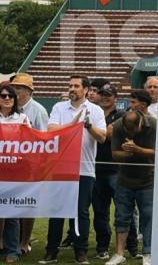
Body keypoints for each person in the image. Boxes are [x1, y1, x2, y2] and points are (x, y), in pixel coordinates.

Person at [39, 76, 107, 265]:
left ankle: (81, 252)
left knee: (80, 212)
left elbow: (102, 138)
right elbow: (52, 131)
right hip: (60, 168)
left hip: (84, 168)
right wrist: (73, 125)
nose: (72, 89)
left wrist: (88, 125)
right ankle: (51, 252)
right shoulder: (59, 108)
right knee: (57, 210)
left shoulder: (96, 110)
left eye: (76, 86)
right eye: (70, 86)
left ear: (86, 90)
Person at [92, 83, 139, 260]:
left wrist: (95, 130)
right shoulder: (94, 114)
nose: (105, 97)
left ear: (115, 98)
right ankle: (102, 247)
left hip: (116, 170)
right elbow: (103, 133)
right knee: (99, 212)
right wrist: (100, 132)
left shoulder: (122, 115)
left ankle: (132, 247)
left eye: (109, 95)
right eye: (102, 94)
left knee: (124, 210)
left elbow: (108, 135)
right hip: (96, 168)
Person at [106, 110, 156, 265]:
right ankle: (119, 253)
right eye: (128, 130)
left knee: (148, 216)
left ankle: (148, 252)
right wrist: (128, 153)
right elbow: (114, 154)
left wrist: (137, 150)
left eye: (133, 130)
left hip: (147, 179)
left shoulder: (153, 125)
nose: (131, 133)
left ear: (140, 123)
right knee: (121, 216)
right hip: (125, 179)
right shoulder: (119, 126)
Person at [8, 73, 48, 256]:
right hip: (10, 165)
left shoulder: (38, 110)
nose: (15, 91)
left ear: (28, 91)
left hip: (31, 165)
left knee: (28, 204)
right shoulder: (8, 109)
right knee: (8, 202)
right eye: (14, 87)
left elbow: (44, 137)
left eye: (18, 88)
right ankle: (7, 240)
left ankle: (24, 242)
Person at [0, 85, 30, 264]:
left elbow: (31, 143)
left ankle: (12, 250)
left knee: (12, 212)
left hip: (15, 171)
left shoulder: (23, 118)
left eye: (11, 96)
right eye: (3, 95)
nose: (7, 98)